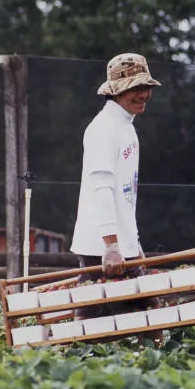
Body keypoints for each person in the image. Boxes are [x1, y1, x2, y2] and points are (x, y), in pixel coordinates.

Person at [70, 53, 162, 340]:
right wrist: (110, 244)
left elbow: (126, 197)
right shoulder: (103, 128)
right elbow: (101, 187)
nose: (144, 94)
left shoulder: (126, 127)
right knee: (105, 321)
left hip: (121, 243)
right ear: (117, 90)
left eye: (146, 87)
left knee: (144, 315)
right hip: (102, 244)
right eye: (136, 88)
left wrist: (133, 244)